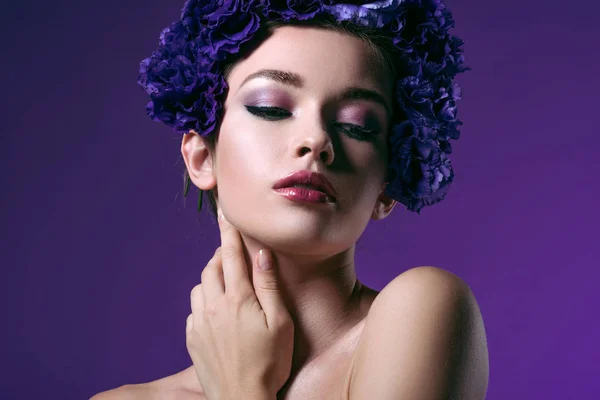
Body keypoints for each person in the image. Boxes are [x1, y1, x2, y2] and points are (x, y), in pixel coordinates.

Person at [92, 1, 489, 398]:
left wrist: (243, 390)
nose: (316, 140)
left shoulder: (424, 310)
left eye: (356, 125)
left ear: (387, 186)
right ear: (201, 157)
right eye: (271, 109)